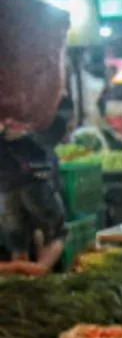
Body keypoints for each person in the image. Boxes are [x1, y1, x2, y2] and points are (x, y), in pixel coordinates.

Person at [0, 105, 70, 276]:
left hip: (4, 188)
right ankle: (40, 273)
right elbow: (58, 124)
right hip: (33, 180)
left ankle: (24, 285)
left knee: (17, 243)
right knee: (56, 233)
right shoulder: (29, 98)